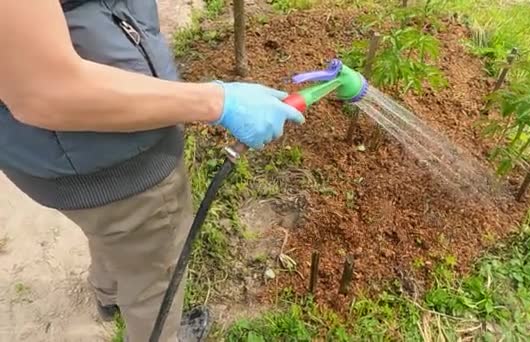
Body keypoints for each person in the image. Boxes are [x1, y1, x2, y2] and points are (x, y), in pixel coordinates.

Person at [0, 1, 304, 341]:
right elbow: (44, 91)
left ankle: (109, 296)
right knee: (155, 278)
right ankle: (158, 332)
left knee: (113, 228)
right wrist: (218, 102)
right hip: (118, 159)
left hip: (60, 158)